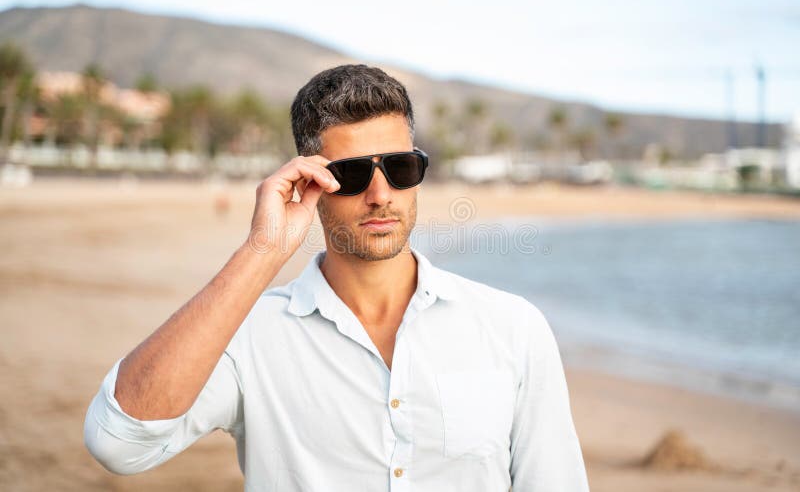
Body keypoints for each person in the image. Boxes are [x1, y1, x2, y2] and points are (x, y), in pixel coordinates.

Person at [83, 64, 590, 491]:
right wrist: (264, 250)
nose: (380, 194)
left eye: (399, 167)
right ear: (312, 182)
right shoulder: (249, 337)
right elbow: (119, 442)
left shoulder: (513, 329)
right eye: (349, 174)